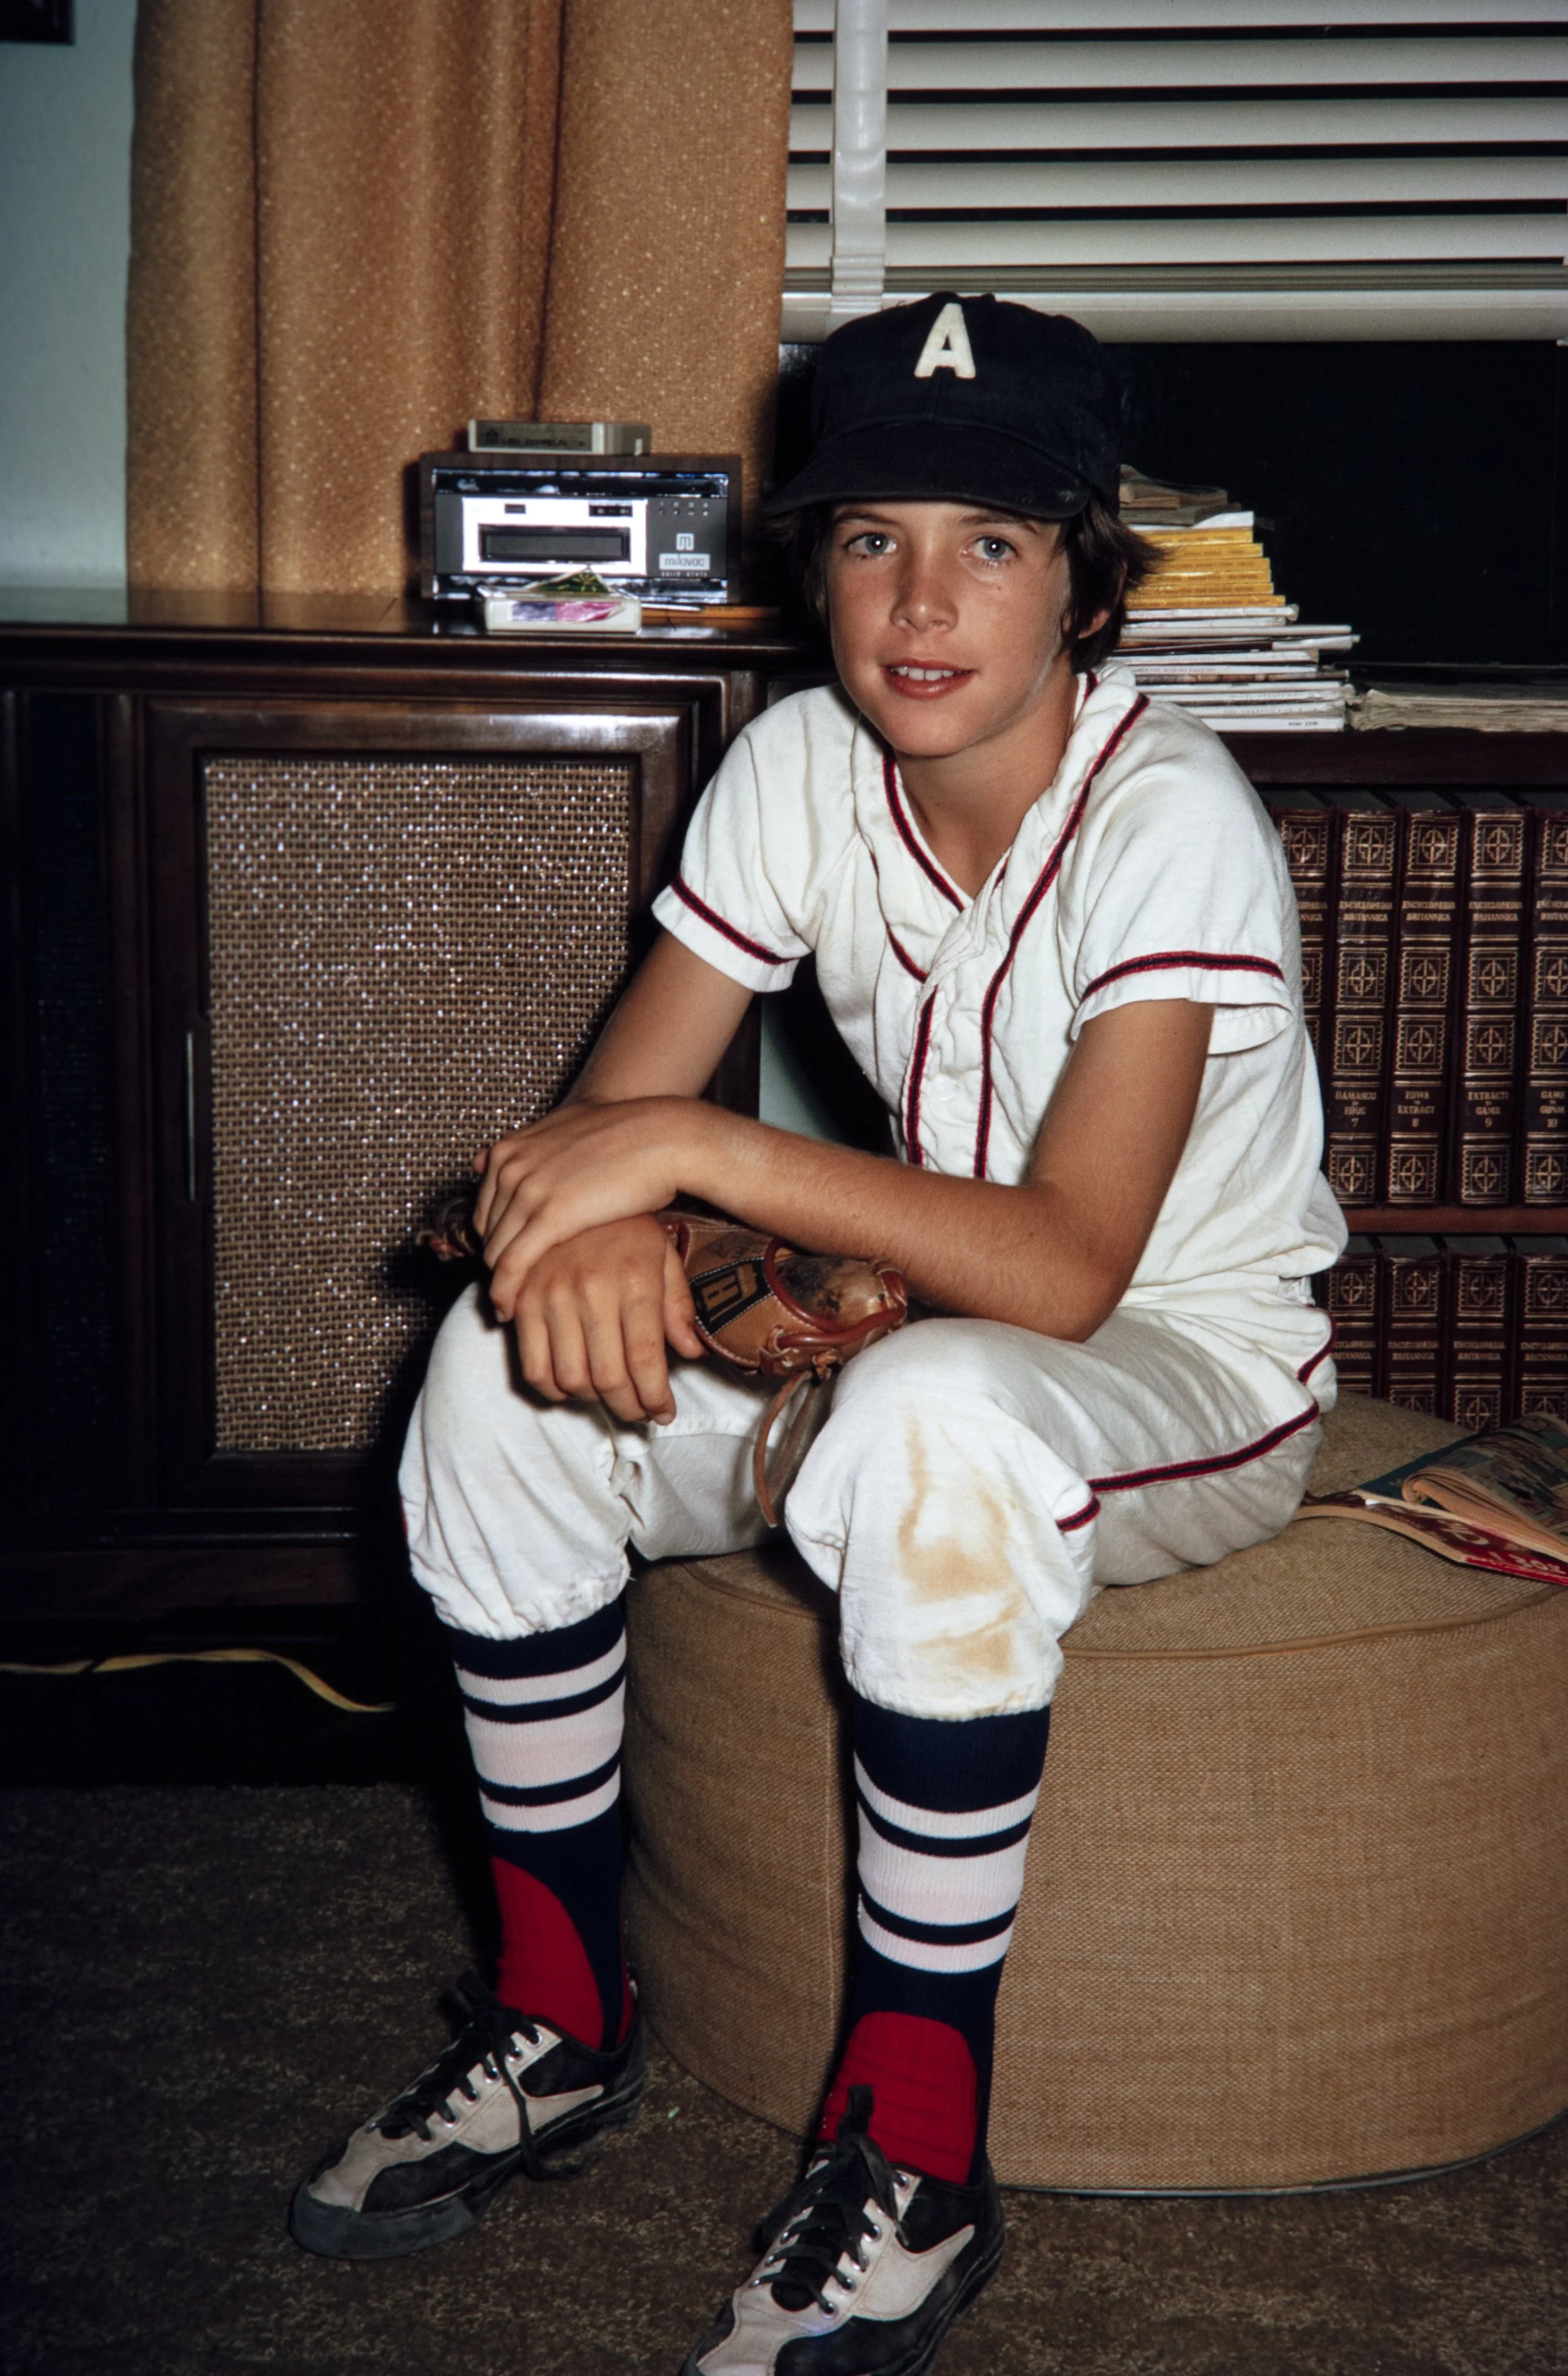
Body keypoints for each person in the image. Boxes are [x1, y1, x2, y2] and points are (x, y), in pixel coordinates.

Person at [289, 292, 1344, 2374]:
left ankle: (919, 2146)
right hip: (892, 1323)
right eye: (870, 538)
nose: (921, 599)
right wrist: (604, 1204)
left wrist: (680, 1153)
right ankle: (558, 2013)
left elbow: (1055, 1273)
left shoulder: (1173, 815)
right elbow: (609, 1128)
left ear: (1084, 577)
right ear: (812, 565)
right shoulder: (795, 764)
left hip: (1182, 1366)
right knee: (496, 1379)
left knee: (941, 1413)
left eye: (992, 540)